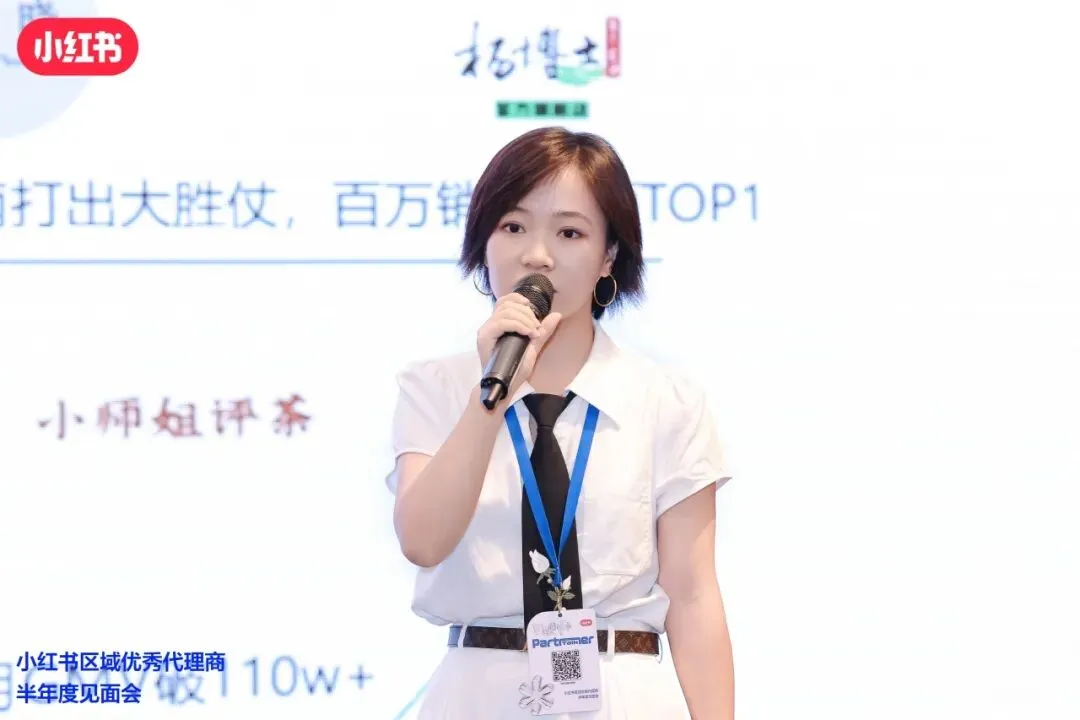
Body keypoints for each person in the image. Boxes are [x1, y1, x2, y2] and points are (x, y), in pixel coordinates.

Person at [386, 127, 735, 719]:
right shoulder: (435, 388)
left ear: (609, 256)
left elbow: (693, 595)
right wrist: (489, 400)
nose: (537, 255)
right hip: (477, 692)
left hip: (622, 690)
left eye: (569, 232)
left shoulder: (665, 401)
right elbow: (422, 541)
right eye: (513, 226)